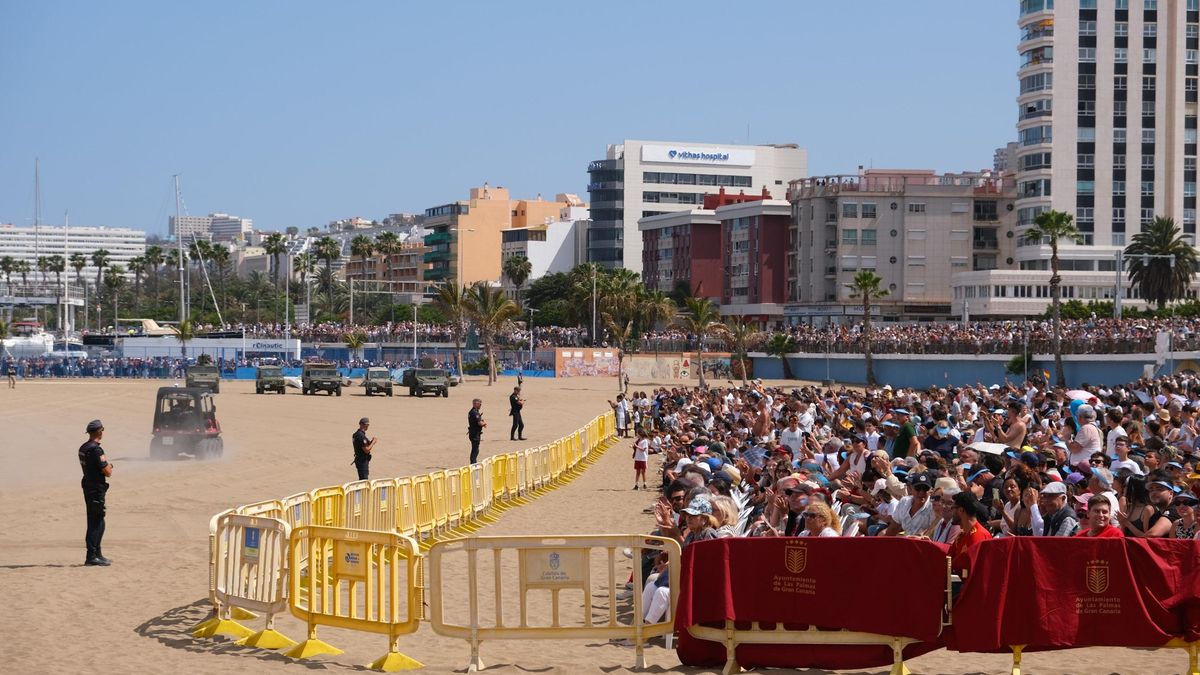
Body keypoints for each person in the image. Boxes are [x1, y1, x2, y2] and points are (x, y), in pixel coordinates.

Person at [79, 419, 114, 566]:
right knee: (96, 522)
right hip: (95, 488)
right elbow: (107, 472)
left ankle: (97, 553)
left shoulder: (84, 447)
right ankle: (92, 555)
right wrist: (110, 465)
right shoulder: (96, 449)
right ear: (100, 432)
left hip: (88, 485)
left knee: (98, 520)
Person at [949, 491, 992, 577]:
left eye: (952, 508)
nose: (951, 512)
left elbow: (974, 572)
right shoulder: (963, 535)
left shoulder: (978, 536)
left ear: (961, 510)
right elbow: (949, 558)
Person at [468, 398, 486, 464]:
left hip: (474, 432)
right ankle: (473, 463)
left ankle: (473, 462)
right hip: (474, 433)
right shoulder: (475, 412)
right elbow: (480, 423)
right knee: (475, 450)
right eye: (479, 404)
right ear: (476, 404)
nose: (480, 405)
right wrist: (484, 423)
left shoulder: (474, 411)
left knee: (475, 449)